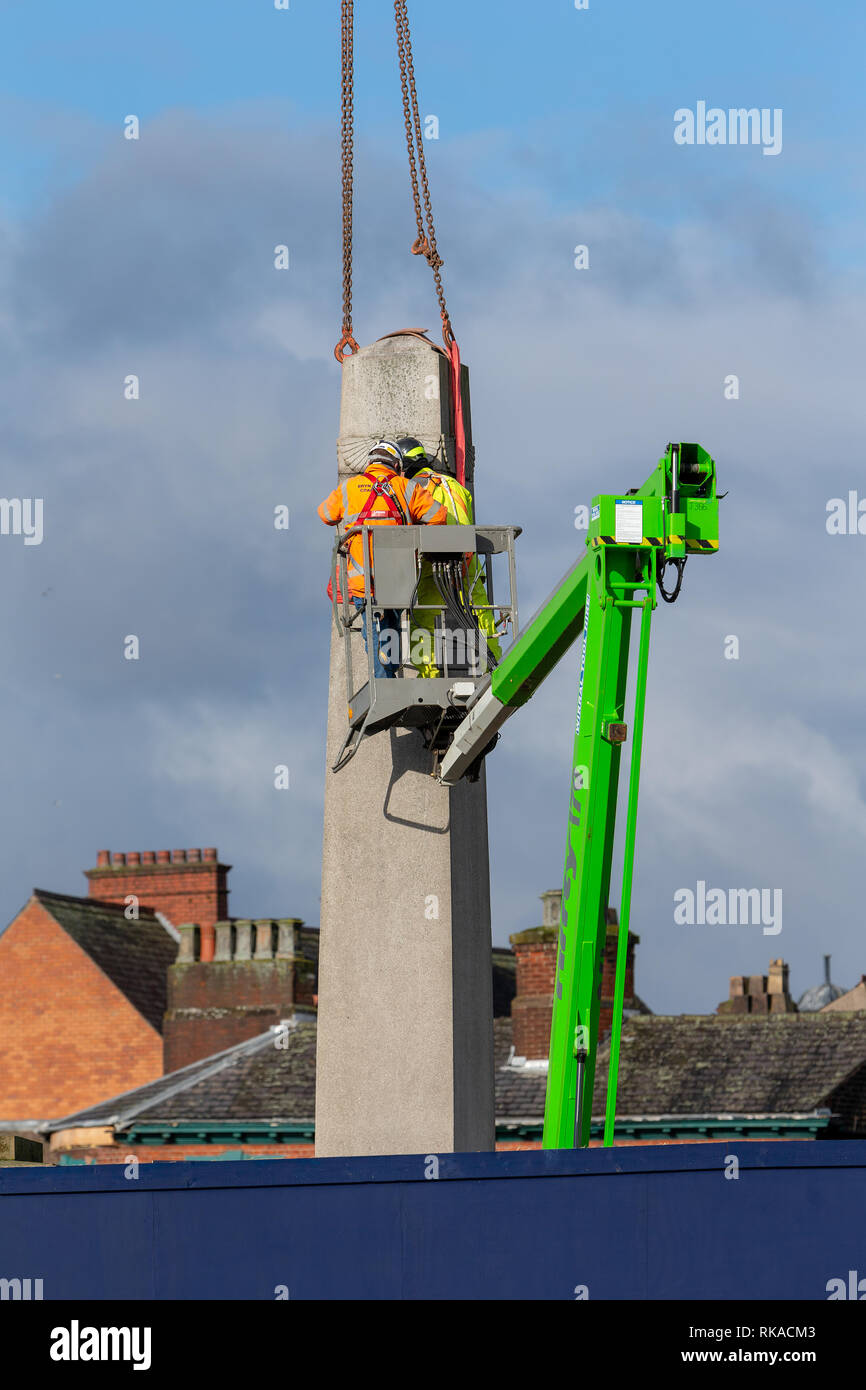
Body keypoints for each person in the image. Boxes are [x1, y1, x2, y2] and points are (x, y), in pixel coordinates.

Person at [317, 440, 447, 678]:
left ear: (370, 463)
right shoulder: (406, 487)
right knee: (391, 632)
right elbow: (439, 515)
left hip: (363, 583)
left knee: (375, 633)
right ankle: (388, 681)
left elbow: (325, 514)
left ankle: (384, 685)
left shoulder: (349, 488)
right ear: (396, 465)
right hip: (398, 581)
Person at [396, 438, 502, 678]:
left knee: (425, 621)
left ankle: (432, 676)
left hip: (434, 568)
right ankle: (491, 668)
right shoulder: (453, 485)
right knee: (479, 615)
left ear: (405, 466)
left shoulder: (414, 488)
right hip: (469, 565)